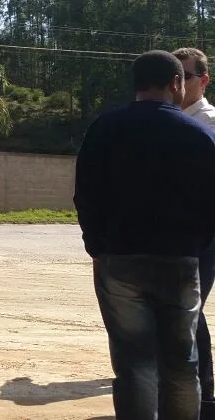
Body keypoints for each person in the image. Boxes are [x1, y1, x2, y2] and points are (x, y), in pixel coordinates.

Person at [75, 49, 215, 419]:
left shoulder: (104, 128)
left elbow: (85, 194)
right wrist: (195, 243)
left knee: (133, 362)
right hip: (180, 261)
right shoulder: (198, 135)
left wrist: (97, 246)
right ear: (176, 83)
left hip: (119, 261)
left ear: (135, 84)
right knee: (182, 362)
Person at [174, 47, 215, 418]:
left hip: (203, 234)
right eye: (175, 74)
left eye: (185, 75)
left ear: (203, 81)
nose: (178, 82)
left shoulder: (209, 123)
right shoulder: (165, 119)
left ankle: (205, 397)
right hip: (172, 235)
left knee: (189, 311)